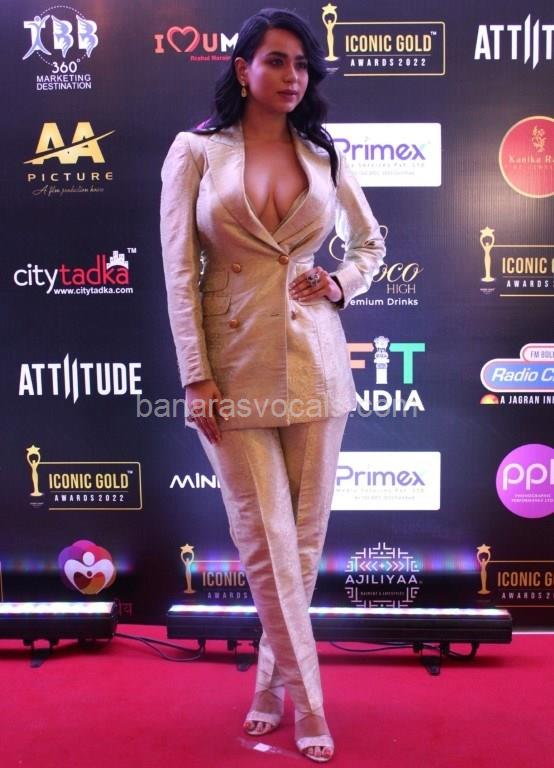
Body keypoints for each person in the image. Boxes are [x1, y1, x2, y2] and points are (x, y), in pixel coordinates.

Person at [160, 8, 385, 762]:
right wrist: (196, 376)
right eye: (277, 61)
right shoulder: (196, 151)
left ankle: (269, 688)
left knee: (303, 547)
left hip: (318, 363)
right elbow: (179, 274)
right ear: (243, 68)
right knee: (266, 545)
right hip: (232, 369)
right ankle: (311, 704)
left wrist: (342, 281)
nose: (293, 77)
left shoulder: (323, 153)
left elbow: (371, 241)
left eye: (302, 65)